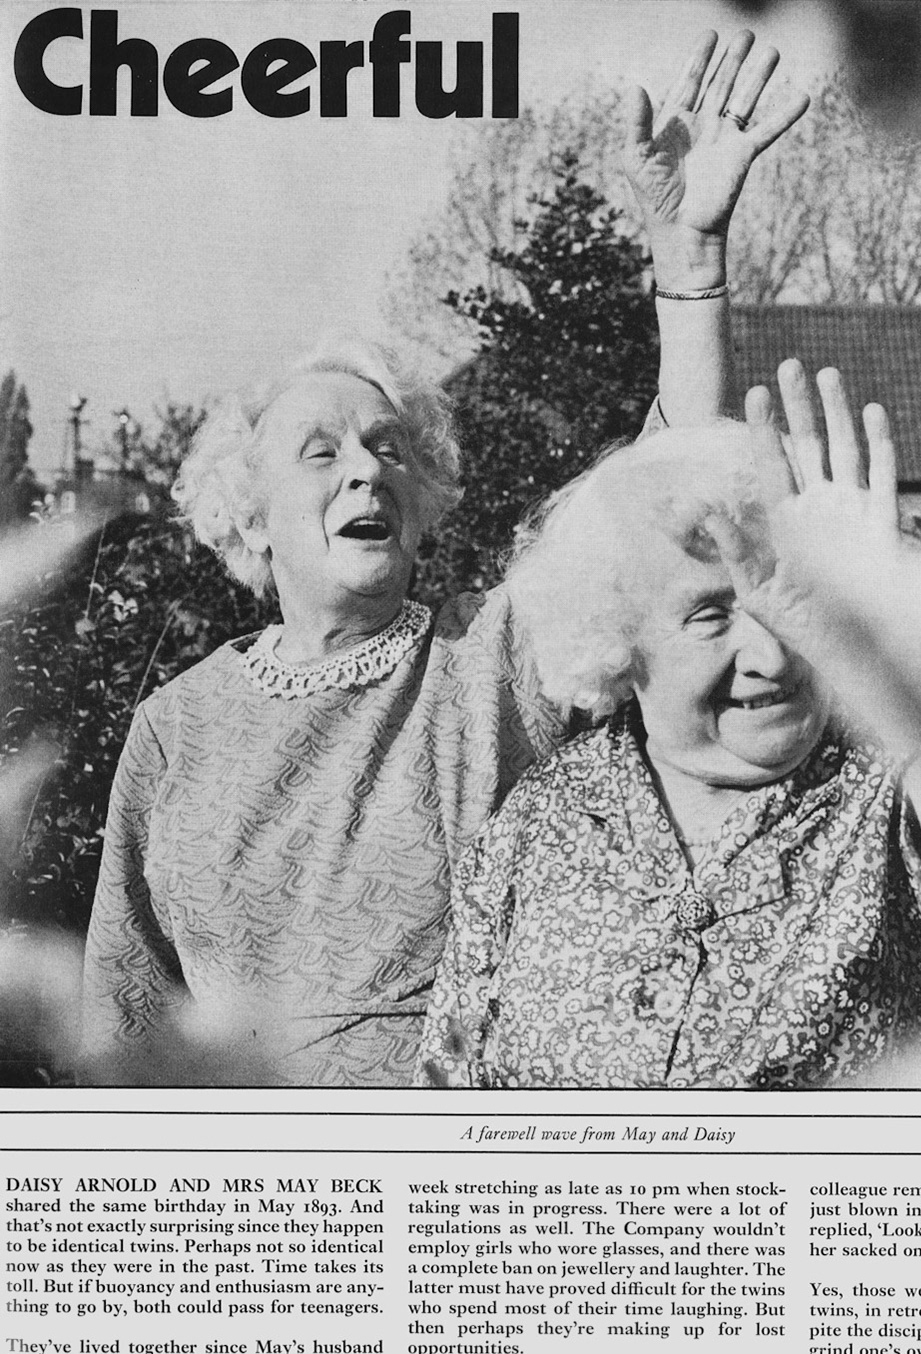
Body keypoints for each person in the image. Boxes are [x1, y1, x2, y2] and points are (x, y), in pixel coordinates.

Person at [79, 33, 809, 1086]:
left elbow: (666, 492)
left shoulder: (488, 664)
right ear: (249, 514)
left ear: (420, 508)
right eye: (321, 453)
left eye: (389, 452)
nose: (367, 474)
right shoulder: (174, 728)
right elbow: (122, 1024)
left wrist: (689, 269)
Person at [417, 368, 921, 1089]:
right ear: (619, 638)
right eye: (713, 614)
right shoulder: (542, 814)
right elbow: (449, 1076)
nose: (773, 652)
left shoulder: (892, 785)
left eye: (795, 595)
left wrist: (881, 654)